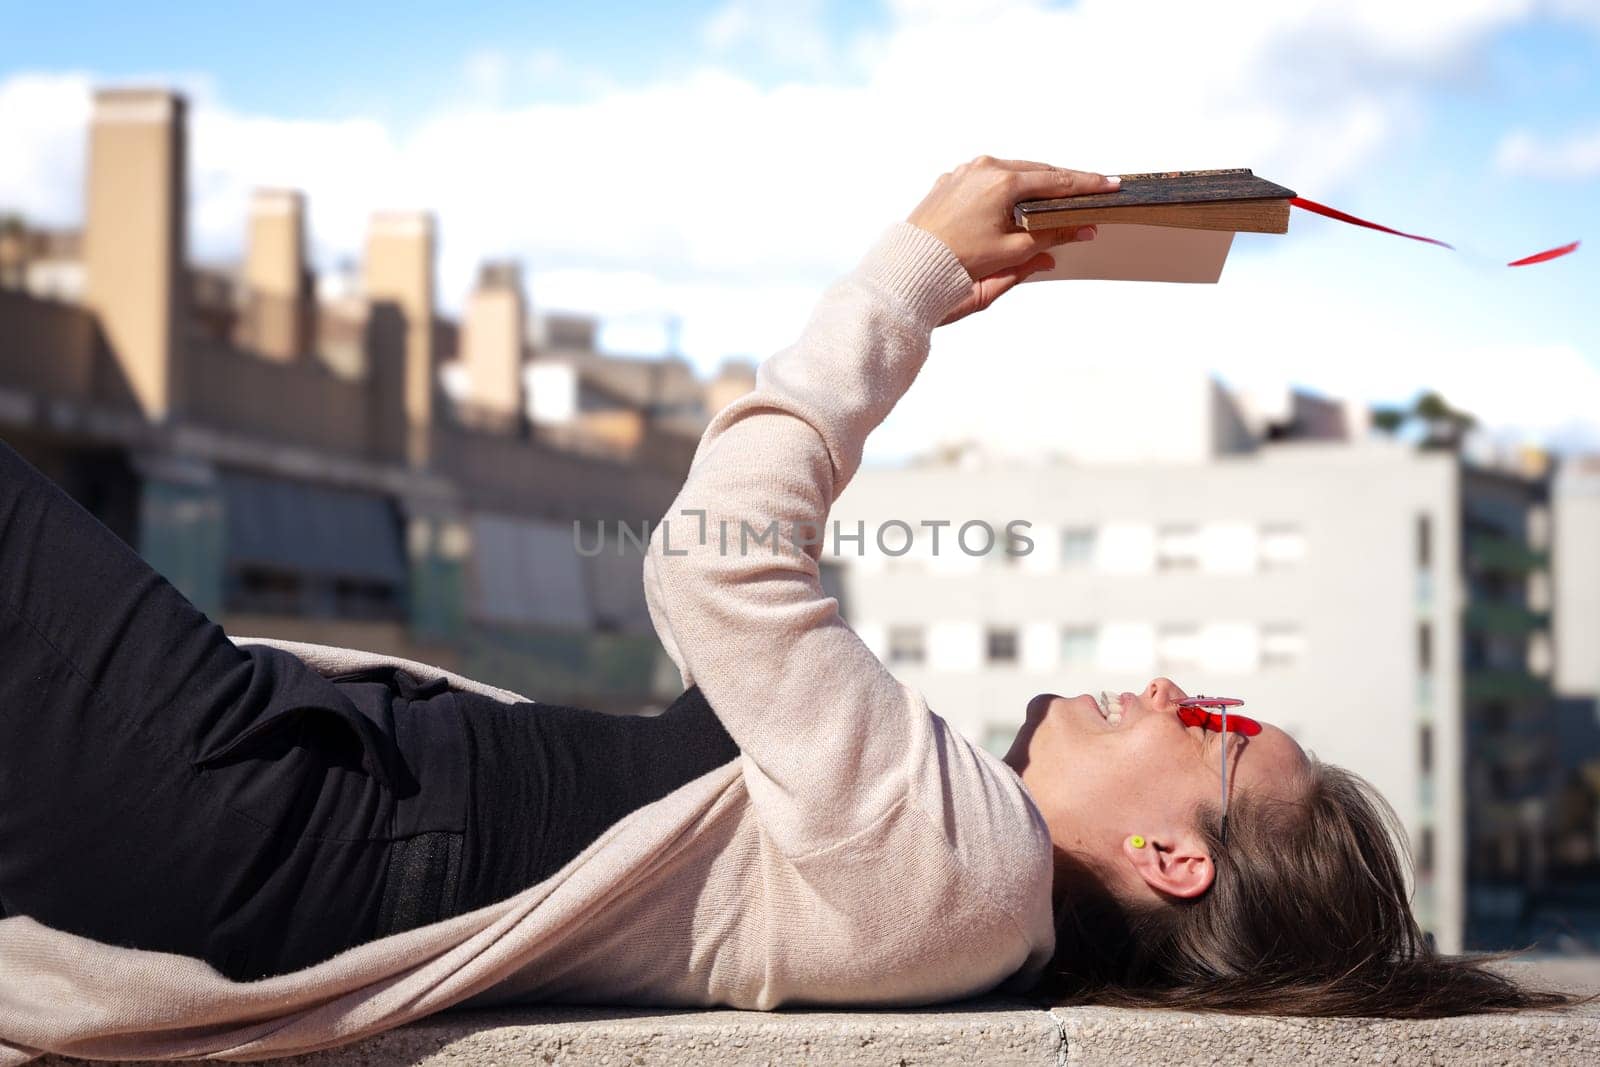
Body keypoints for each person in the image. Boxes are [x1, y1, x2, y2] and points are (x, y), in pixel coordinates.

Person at [0, 158, 1573, 1060]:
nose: (1173, 686)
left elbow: (718, 566)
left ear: (1174, 858)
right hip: (253, 825)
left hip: (245, 812)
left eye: (1220, 727)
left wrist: (906, 280)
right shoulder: (956, 903)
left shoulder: (966, 865)